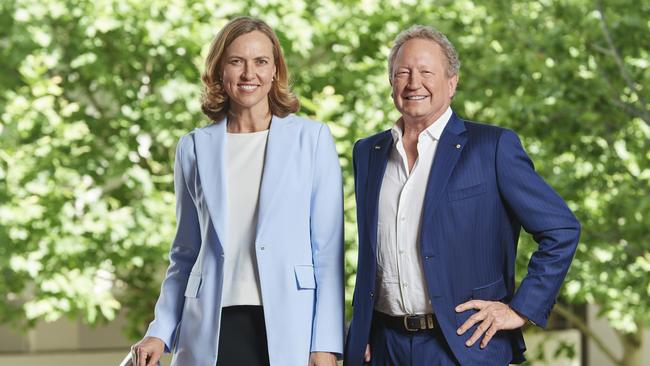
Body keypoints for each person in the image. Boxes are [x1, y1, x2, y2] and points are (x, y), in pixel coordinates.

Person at [344, 25, 580, 365]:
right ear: (391, 82)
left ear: (451, 82)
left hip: (462, 347)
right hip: (383, 348)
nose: (414, 83)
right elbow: (372, 253)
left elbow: (561, 229)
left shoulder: (492, 147)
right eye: (403, 73)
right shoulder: (368, 152)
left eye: (426, 72)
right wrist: (362, 330)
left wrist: (520, 309)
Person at [131, 16, 344, 366]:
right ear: (219, 71)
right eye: (236, 62)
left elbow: (328, 252)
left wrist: (325, 343)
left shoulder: (312, 140)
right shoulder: (194, 148)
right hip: (210, 326)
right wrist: (160, 329)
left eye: (261, 62)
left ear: (275, 71)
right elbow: (185, 253)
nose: (249, 74)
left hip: (290, 324)